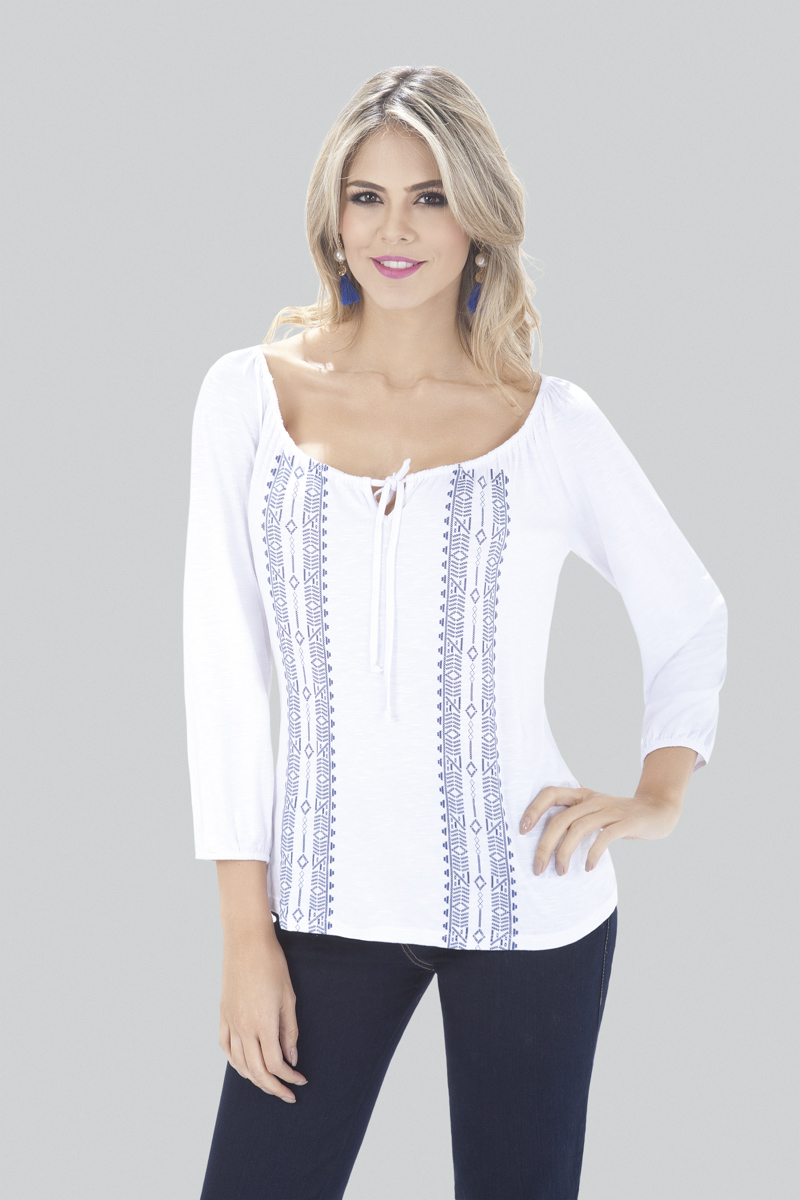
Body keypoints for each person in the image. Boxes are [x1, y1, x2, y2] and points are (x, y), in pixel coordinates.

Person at [183, 65, 728, 1200]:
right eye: (367, 196)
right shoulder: (247, 398)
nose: (395, 229)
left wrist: (658, 793)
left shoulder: (551, 423)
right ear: (333, 216)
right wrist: (244, 935)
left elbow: (689, 615)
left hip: (530, 902)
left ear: (475, 218)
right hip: (320, 911)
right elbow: (222, 673)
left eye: (429, 197)